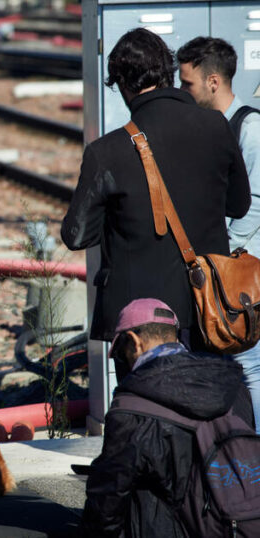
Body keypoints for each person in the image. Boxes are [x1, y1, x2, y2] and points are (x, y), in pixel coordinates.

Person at [62, 28, 249, 350]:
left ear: (122, 84)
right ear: (168, 73)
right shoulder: (217, 126)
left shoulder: (107, 151)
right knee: (209, 396)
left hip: (141, 321)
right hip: (210, 308)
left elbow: (76, 235)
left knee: (148, 398)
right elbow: (238, 205)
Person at [80, 298, 253, 537]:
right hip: (235, 525)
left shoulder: (131, 406)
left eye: (120, 352)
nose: (123, 361)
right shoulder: (233, 386)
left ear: (134, 341)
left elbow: (108, 495)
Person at [177, 36, 260, 431]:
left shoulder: (251, 128)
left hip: (241, 278)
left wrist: (221, 257)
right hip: (223, 273)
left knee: (249, 367)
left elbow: (255, 205)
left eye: (187, 83)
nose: (182, 90)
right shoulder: (211, 128)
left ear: (213, 82)